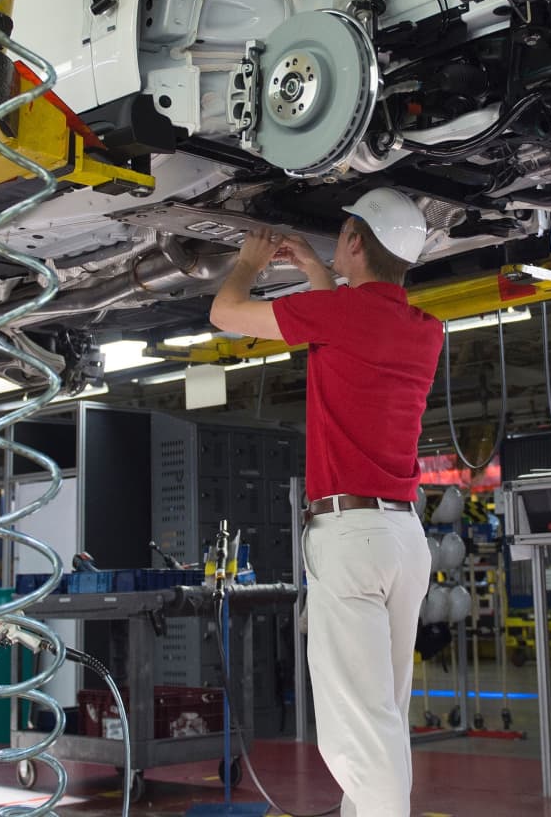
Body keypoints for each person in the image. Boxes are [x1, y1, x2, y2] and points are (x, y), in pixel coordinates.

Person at [209, 188, 442, 817]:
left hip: (353, 537)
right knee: (383, 714)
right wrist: (315, 270)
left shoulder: (340, 316)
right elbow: (348, 323)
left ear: (357, 243)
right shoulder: (426, 330)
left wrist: (251, 263)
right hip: (401, 539)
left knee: (359, 727)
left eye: (342, 234)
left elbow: (226, 313)